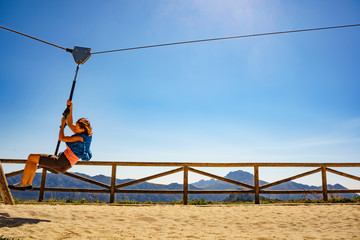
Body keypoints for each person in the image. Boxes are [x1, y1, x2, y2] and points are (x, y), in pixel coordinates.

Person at [9, 100, 92, 191]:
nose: (74, 128)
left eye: (76, 127)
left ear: (82, 129)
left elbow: (61, 138)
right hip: (64, 163)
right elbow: (69, 123)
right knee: (33, 160)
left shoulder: (79, 138)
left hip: (61, 162)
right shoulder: (87, 136)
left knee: (31, 157)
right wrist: (70, 107)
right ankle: (27, 184)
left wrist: (62, 124)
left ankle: (23, 184)